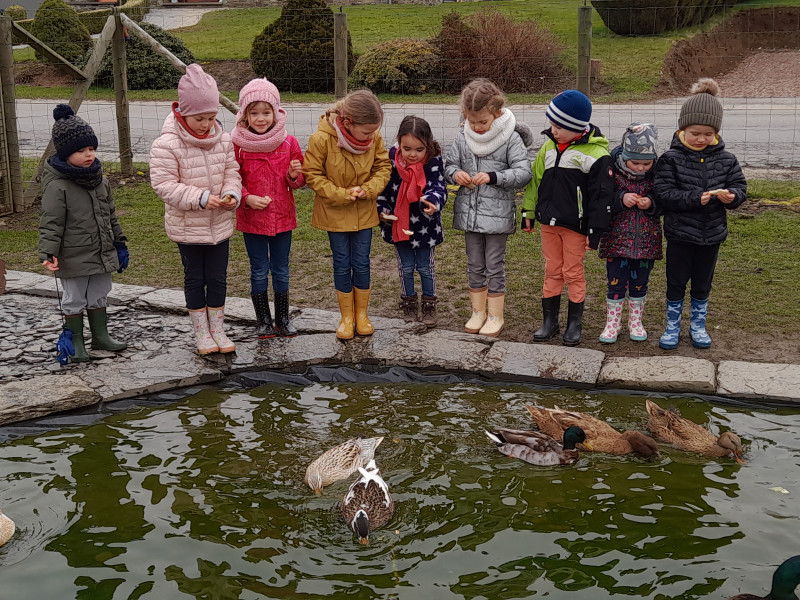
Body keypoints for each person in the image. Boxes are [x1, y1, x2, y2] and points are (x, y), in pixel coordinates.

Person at [150, 63, 241, 355]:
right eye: (199, 118)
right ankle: (201, 333)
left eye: (212, 117)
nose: (206, 123)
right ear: (182, 113)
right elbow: (164, 185)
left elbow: (232, 173)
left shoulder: (223, 140)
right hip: (188, 227)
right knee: (195, 278)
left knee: (217, 277)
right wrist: (201, 197)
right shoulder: (166, 145)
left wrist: (230, 193)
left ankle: (218, 329)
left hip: (220, 224)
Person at [654, 78, 746, 350]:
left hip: (712, 235)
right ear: (683, 128)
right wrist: (695, 198)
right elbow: (664, 194)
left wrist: (733, 197)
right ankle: (672, 326)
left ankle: (698, 325)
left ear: (716, 132)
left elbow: (740, 187)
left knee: (703, 284)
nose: (702, 139)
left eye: (708, 133)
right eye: (696, 132)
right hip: (680, 234)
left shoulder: (727, 159)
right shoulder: (671, 158)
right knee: (676, 282)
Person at [521, 89, 614, 346]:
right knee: (552, 270)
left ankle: (575, 323)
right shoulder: (547, 149)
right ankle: (550, 322)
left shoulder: (596, 156)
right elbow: (535, 182)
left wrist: (596, 229)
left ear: (577, 128)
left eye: (560, 126)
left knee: (572, 272)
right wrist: (529, 211)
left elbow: (601, 196)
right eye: (552, 124)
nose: (554, 131)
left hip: (575, 226)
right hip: (548, 223)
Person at [39, 104, 129, 363]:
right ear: (66, 153)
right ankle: (76, 342)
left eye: (91, 149)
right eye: (81, 150)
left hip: (101, 251)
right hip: (73, 255)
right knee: (75, 297)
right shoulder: (58, 187)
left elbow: (110, 214)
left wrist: (119, 241)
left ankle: (101, 335)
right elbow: (51, 222)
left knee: (99, 291)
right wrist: (48, 252)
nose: (89, 155)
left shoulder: (100, 180)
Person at [445, 78, 533, 338]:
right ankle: (477, 311)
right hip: (469, 214)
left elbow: (523, 172)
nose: (477, 127)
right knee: (474, 263)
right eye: (472, 122)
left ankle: (496, 315)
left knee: (494, 264)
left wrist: (494, 177)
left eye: (483, 122)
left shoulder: (511, 138)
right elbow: (449, 165)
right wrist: (455, 174)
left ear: (496, 113)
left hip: (497, 216)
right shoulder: (463, 136)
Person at [303, 90, 392, 340]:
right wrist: (340, 194)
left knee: (362, 262)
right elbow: (312, 175)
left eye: (374, 131)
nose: (371, 136)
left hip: (364, 212)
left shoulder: (374, 138)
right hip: (335, 214)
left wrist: (368, 190)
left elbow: (383, 167)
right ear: (348, 122)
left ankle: (362, 314)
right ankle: (346, 317)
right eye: (366, 132)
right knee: (342, 263)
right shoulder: (321, 139)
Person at [232, 78, 304, 339]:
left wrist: (295, 175)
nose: (260, 118)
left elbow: (298, 182)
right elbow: (231, 178)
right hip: (252, 219)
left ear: (276, 112)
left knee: (282, 269)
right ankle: (263, 319)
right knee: (259, 268)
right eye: (254, 113)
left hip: (283, 218)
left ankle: (283, 319)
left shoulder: (288, 143)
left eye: (266, 112)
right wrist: (246, 197)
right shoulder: (238, 146)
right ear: (244, 115)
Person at [377, 115, 447, 327]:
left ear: (427, 146)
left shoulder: (433, 162)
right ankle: (408, 303)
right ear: (399, 143)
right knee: (405, 267)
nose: (413, 155)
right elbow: (384, 190)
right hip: (399, 224)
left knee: (425, 267)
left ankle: (429, 304)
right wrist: (382, 209)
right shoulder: (391, 161)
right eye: (407, 149)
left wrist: (433, 202)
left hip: (425, 225)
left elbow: (439, 187)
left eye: (419, 150)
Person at [598, 122, 662, 343]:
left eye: (647, 163)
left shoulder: (657, 176)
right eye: (636, 163)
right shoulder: (612, 174)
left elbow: (665, 201)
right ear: (625, 158)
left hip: (646, 242)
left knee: (640, 283)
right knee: (615, 281)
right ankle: (612, 323)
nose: (641, 168)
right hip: (616, 240)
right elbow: (601, 199)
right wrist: (620, 199)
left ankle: (636, 322)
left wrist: (651, 202)